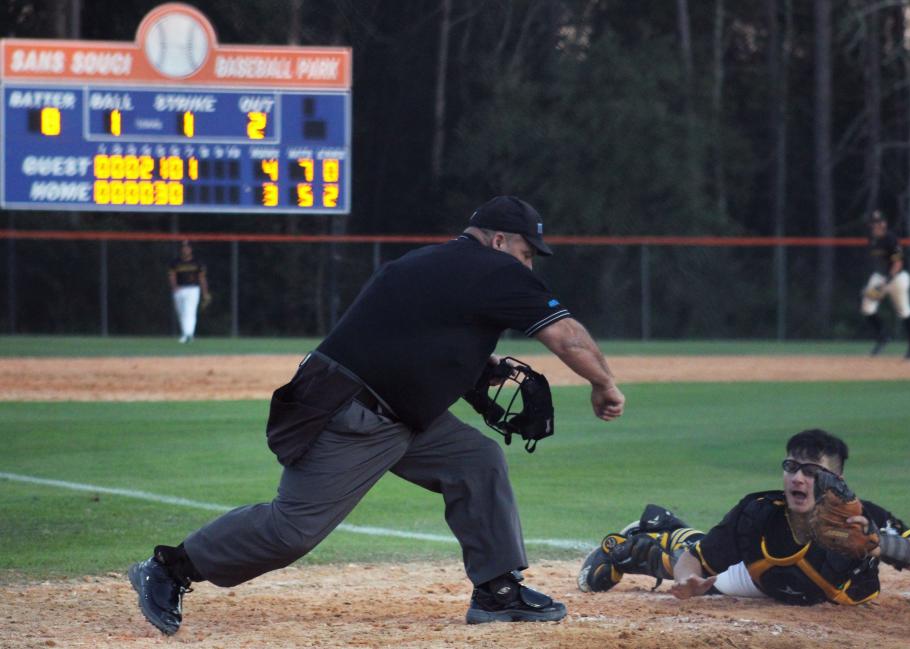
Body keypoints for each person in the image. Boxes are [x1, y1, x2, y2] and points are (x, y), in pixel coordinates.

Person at [129, 195, 626, 635]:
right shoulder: (497, 271)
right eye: (525, 253)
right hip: (357, 415)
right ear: (499, 240)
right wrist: (603, 384)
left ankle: (497, 591)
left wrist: (472, 368)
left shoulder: (424, 262)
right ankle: (170, 568)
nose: (528, 266)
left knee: (476, 460)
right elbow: (568, 336)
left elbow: (404, 333)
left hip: (393, 410)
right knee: (293, 529)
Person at [578, 429, 910, 606]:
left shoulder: (861, 518)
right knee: (690, 562)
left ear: (838, 481)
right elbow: (697, 561)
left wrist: (882, 545)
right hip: (761, 581)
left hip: (831, 595)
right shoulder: (758, 513)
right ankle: (639, 544)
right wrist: (687, 579)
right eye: (791, 467)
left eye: (812, 471)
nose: (798, 478)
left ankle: (669, 529)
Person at [861, 211, 910, 359]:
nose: (873, 226)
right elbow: (879, 262)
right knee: (867, 307)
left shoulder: (891, 239)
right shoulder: (872, 239)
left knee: (904, 311)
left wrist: (886, 281)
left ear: (883, 224)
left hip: (897, 278)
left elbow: (898, 263)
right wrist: (875, 284)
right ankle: (883, 336)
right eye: (872, 223)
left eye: (876, 223)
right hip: (880, 277)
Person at [168, 240, 211, 343]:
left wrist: (205, 292)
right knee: (181, 313)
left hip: (193, 289)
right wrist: (174, 287)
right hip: (179, 289)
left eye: (187, 247)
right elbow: (172, 276)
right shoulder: (175, 262)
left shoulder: (197, 262)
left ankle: (188, 334)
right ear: (181, 249)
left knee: (190, 311)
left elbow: (202, 278)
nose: (185, 249)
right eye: (183, 247)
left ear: (191, 249)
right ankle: (186, 334)